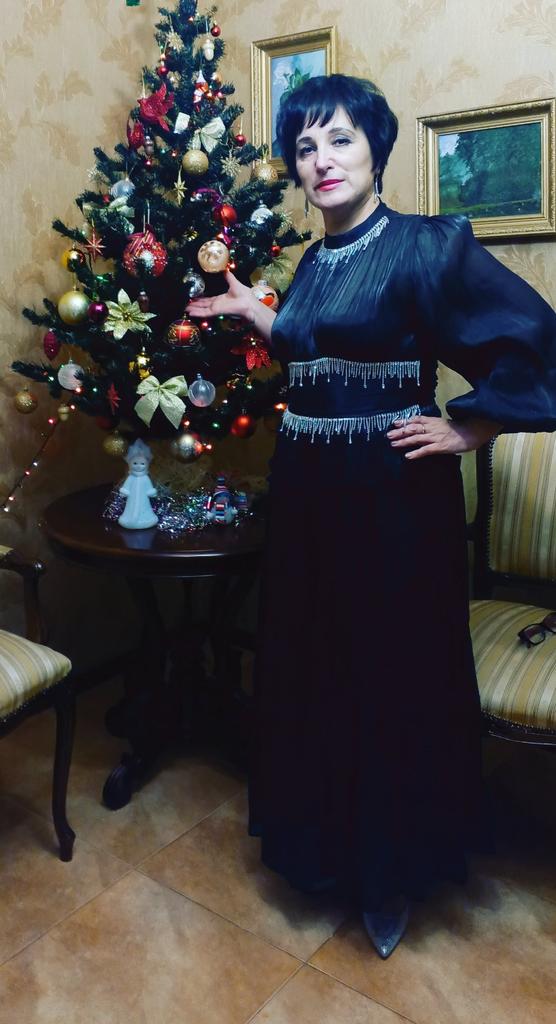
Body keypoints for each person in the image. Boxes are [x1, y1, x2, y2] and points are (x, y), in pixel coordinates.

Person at [187, 74, 556, 958]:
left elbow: (537, 341)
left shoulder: (428, 247)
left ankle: (389, 876)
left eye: (340, 139)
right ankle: (322, 855)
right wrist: (254, 311)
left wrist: (471, 426)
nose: (322, 160)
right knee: (315, 667)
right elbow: (318, 349)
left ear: (376, 149)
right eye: (305, 147)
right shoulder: (313, 264)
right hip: (309, 498)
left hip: (395, 506)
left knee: (389, 678)